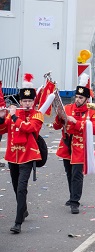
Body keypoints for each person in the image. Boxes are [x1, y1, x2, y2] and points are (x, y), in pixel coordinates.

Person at [0, 74, 44, 234]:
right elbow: (3, 129)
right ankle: (23, 210)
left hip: (28, 156)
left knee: (21, 188)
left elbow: (29, 128)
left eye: (29, 101)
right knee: (15, 187)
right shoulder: (13, 113)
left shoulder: (37, 114)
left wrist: (13, 116)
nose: (27, 104)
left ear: (33, 101)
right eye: (24, 101)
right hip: (13, 156)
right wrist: (1, 118)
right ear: (20, 100)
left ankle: (18, 222)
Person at [53, 73, 95, 214]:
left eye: (81, 97)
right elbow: (56, 126)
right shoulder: (67, 108)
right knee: (68, 173)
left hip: (80, 147)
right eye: (77, 97)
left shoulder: (92, 112)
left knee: (77, 175)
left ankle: (75, 201)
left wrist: (77, 122)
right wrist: (60, 118)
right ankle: (72, 195)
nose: (78, 100)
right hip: (67, 145)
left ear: (87, 99)